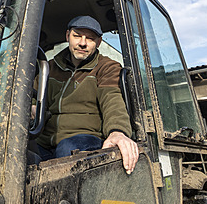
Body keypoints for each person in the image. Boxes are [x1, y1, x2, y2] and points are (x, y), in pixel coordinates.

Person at [35, 15, 139, 174]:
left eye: (90, 38)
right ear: (67, 36)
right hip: (45, 141)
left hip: (84, 139)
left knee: (67, 149)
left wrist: (118, 131)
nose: (82, 43)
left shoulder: (106, 68)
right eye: (77, 36)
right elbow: (33, 99)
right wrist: (31, 109)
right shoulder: (47, 68)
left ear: (98, 42)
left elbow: (112, 101)